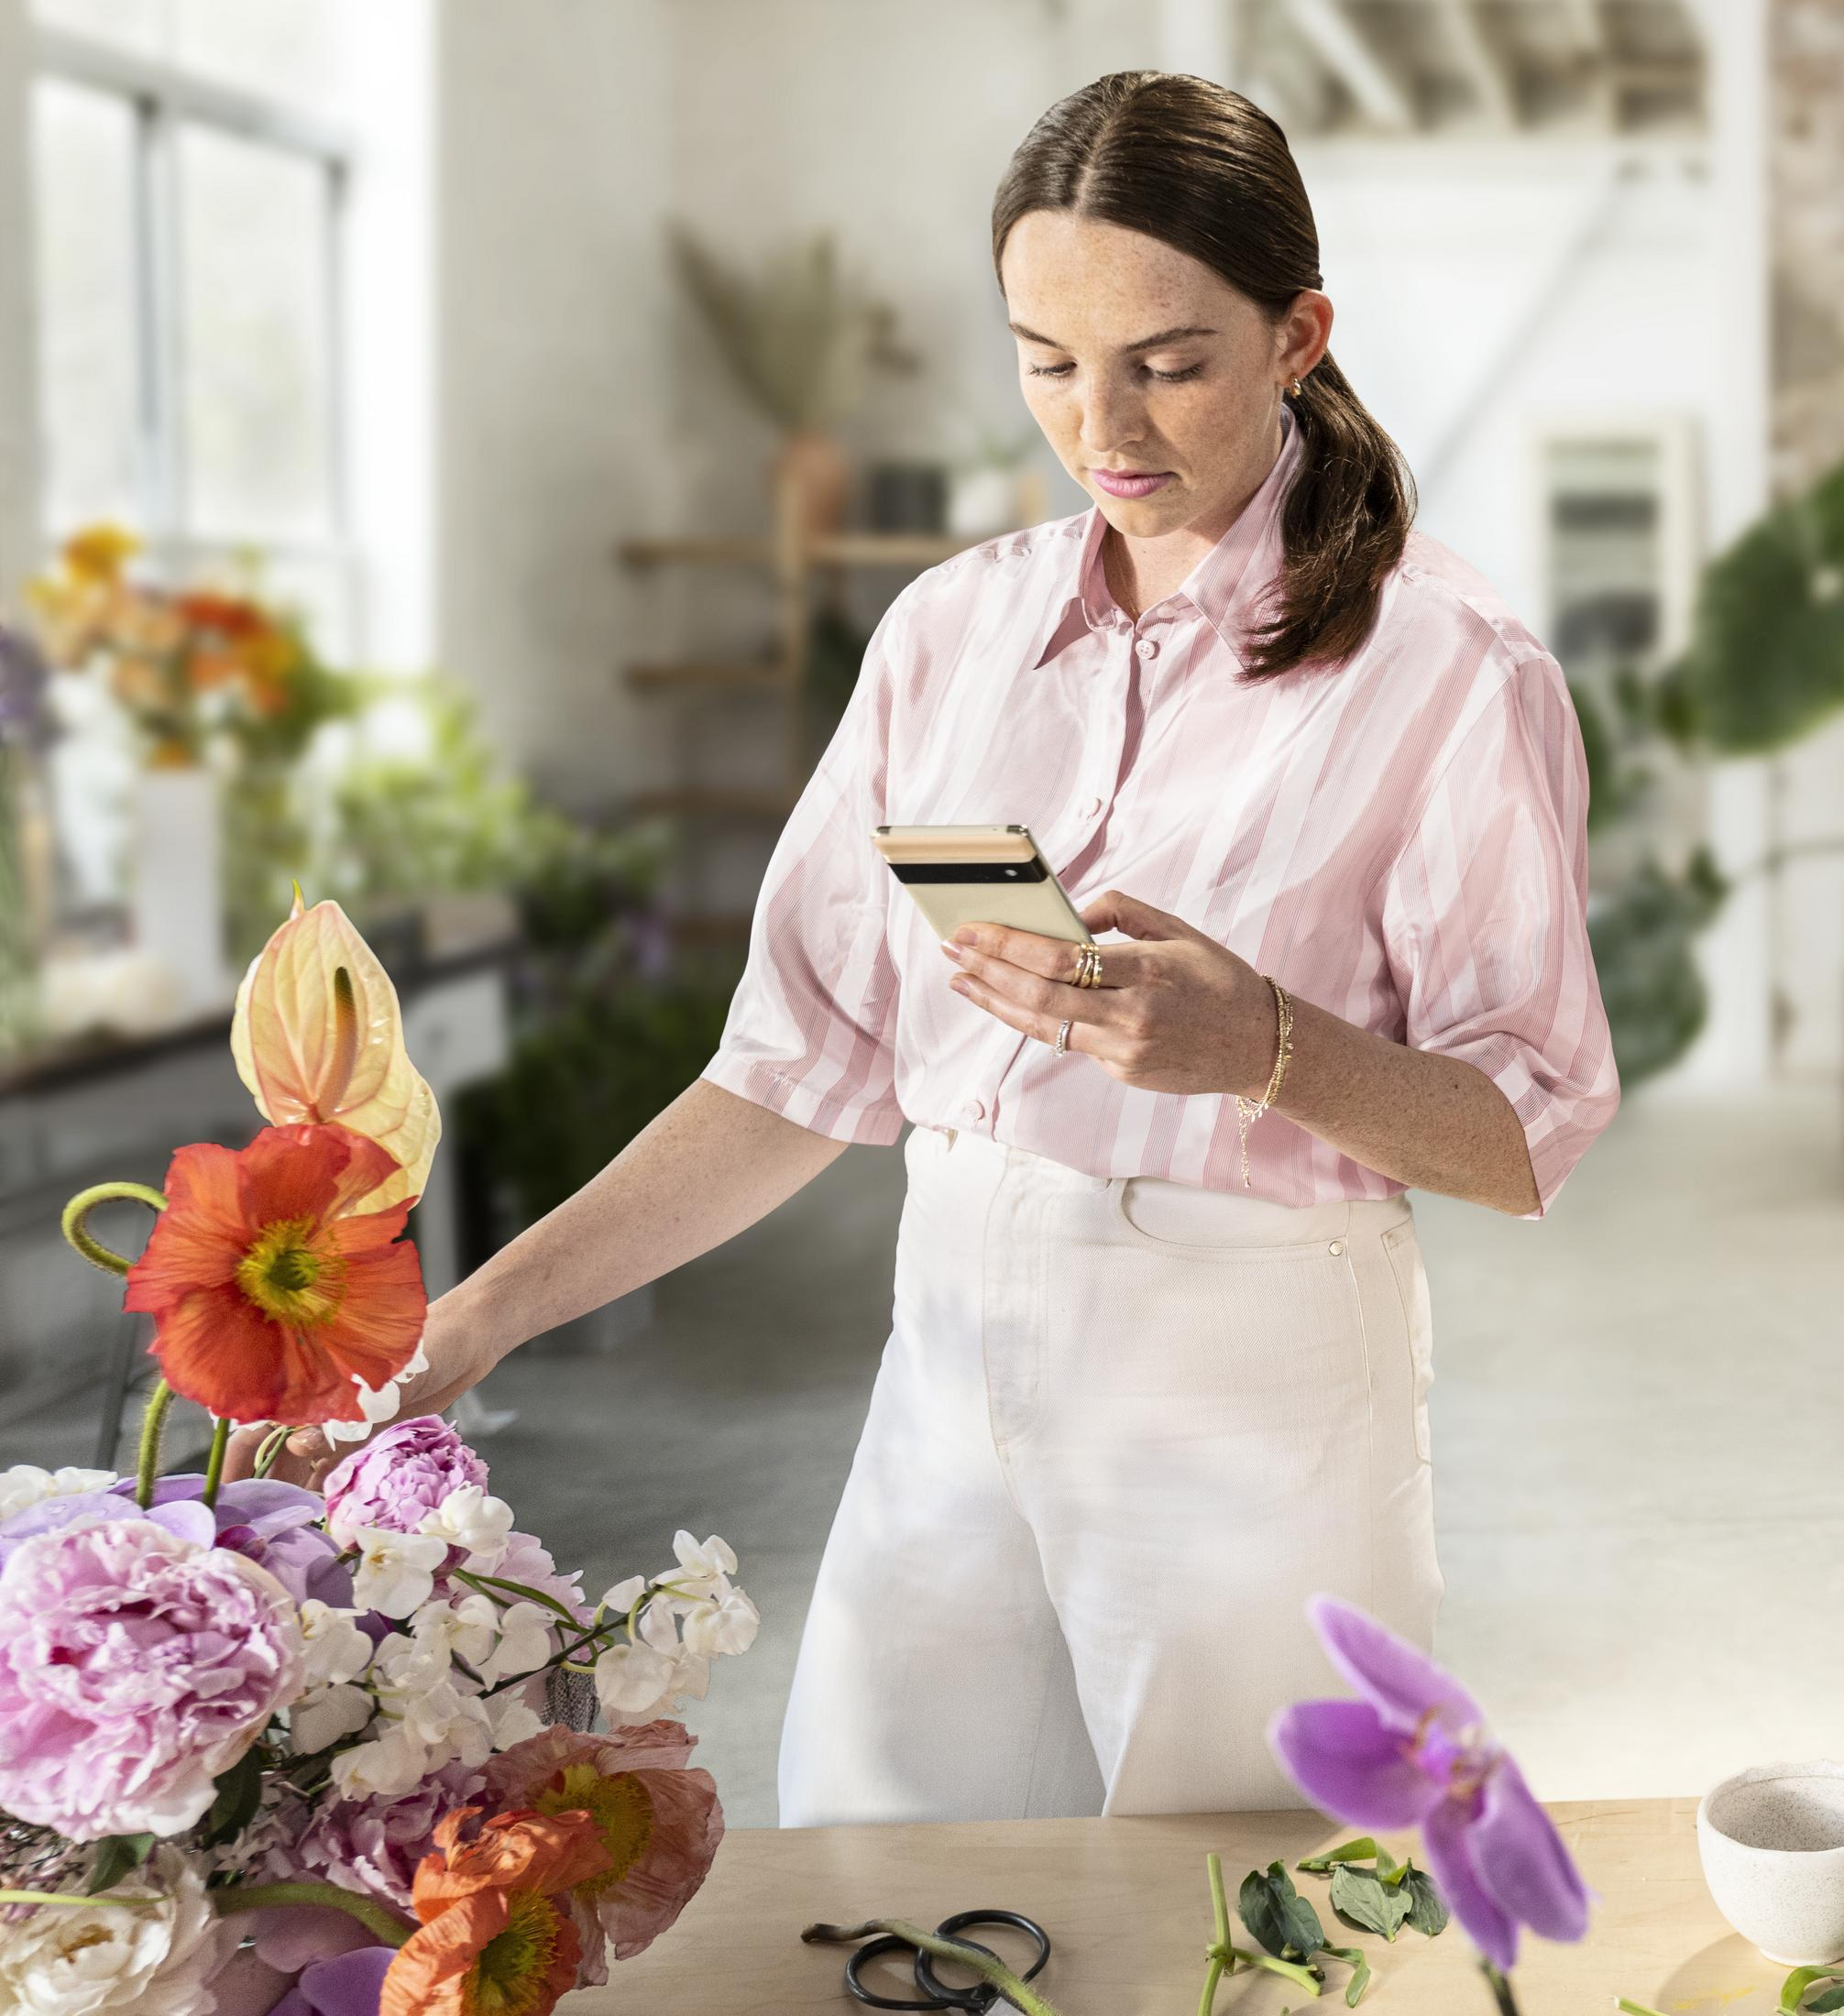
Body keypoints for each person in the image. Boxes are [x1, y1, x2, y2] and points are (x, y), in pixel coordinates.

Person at [231, 70, 1619, 1828]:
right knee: (876, 1884)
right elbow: (798, 1071)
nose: (1102, 421)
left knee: (1249, 1922)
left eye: (1169, 360)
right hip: (951, 1346)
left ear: (1299, 335)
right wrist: (484, 1314)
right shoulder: (951, 633)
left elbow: (1526, 1134)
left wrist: (1264, 1044)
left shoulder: (1450, 673)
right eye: (1047, 357)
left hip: (1256, 1377)